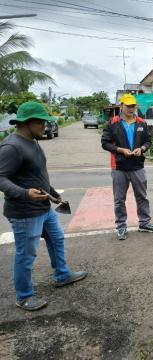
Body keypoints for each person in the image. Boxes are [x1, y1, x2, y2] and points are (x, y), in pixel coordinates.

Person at [0, 101, 87, 311]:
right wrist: (25, 193)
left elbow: (36, 175)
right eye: (41, 122)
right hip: (25, 212)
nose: (45, 126)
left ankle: (62, 274)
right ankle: (24, 296)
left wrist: (53, 194)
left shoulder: (33, 141)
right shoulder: (12, 147)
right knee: (26, 254)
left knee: (56, 238)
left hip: (43, 208)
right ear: (27, 123)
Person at [101, 93, 153, 240]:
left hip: (138, 166)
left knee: (142, 197)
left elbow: (148, 141)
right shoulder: (112, 123)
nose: (131, 109)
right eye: (128, 106)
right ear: (121, 106)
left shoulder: (141, 123)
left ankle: (144, 223)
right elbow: (105, 143)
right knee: (119, 199)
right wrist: (120, 150)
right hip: (119, 167)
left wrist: (143, 149)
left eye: (133, 106)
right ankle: (121, 226)